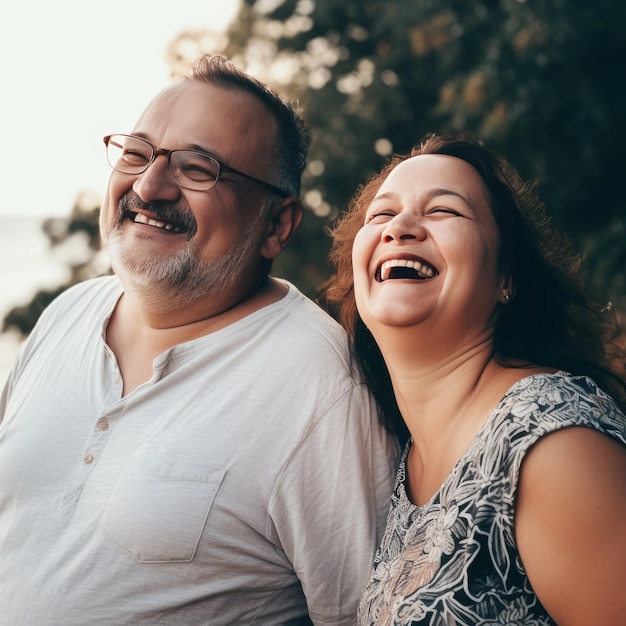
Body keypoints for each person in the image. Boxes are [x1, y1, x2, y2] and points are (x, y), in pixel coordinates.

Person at [0, 54, 399, 625]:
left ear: (277, 225)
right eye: (137, 153)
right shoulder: (65, 315)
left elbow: (366, 614)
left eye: (197, 168)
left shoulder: (322, 384)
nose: (149, 185)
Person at [321, 133, 626, 625]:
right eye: (381, 215)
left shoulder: (552, 446)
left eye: (444, 211)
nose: (399, 227)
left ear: (507, 277)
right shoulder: (402, 459)